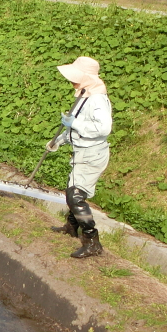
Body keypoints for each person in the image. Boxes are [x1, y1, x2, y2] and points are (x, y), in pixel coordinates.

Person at [49, 56, 112, 258]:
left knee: (75, 195)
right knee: (73, 191)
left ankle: (92, 241)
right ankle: (70, 226)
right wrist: (59, 140)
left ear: (86, 77)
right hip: (82, 152)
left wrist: (74, 123)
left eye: (75, 77)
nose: (71, 81)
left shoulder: (97, 99)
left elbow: (103, 129)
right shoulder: (84, 95)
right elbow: (76, 128)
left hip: (92, 154)